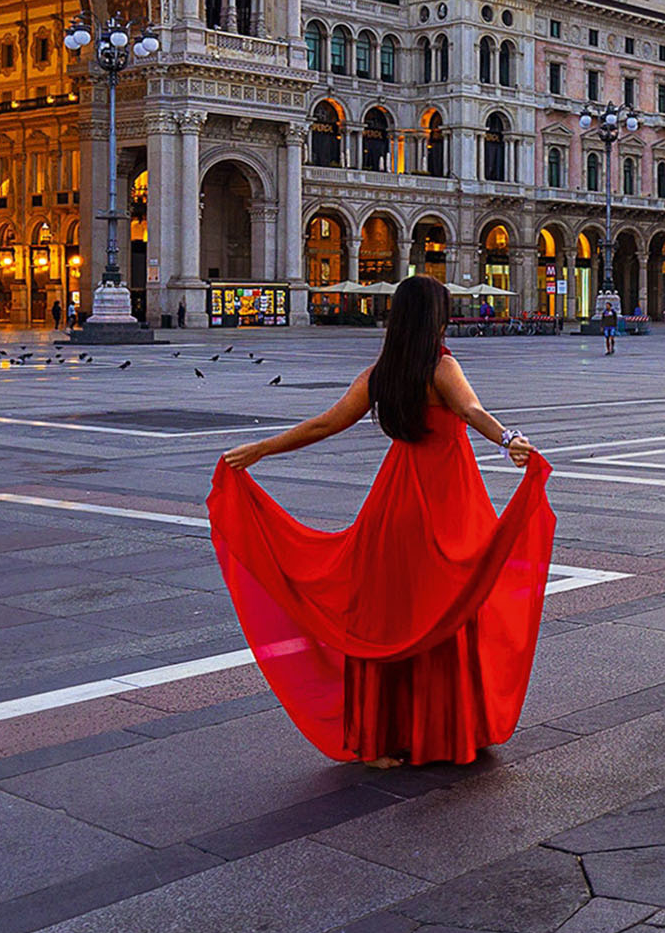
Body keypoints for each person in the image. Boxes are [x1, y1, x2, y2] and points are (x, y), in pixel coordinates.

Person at [209, 275, 552, 768]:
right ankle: (444, 730)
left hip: (394, 502)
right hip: (447, 499)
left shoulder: (380, 374)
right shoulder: (441, 366)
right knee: (448, 608)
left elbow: (326, 423)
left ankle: (379, 739)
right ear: (434, 317)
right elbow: (472, 410)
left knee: (389, 614)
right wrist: (509, 440)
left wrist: (262, 448)